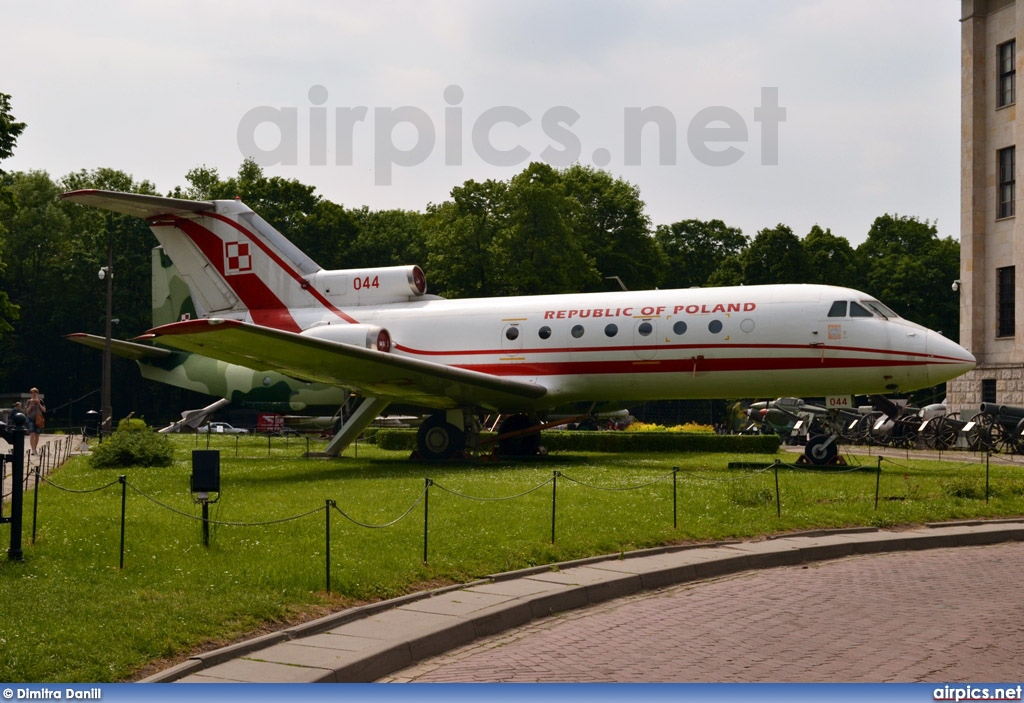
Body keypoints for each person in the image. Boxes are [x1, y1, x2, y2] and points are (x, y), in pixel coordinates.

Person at [24, 387, 45, 454]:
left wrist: (38, 403)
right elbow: (27, 412)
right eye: (32, 393)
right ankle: (32, 449)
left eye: (35, 393)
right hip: (30, 419)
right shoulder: (28, 401)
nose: (34, 394)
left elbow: (44, 410)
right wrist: (31, 404)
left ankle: (35, 448)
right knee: (32, 434)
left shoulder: (41, 401)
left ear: (37, 394)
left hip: (38, 419)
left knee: (37, 435)